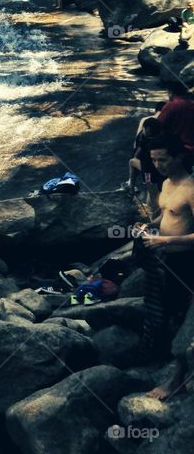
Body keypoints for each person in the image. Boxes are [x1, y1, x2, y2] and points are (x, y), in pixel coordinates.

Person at [132, 135, 194, 400]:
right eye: (154, 159)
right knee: (168, 314)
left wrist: (165, 239)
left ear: (179, 156)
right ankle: (177, 367)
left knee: (184, 321)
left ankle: (177, 379)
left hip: (187, 263)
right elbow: (167, 213)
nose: (158, 165)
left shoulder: (191, 189)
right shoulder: (167, 184)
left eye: (163, 159)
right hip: (167, 260)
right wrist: (151, 225)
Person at [126, 117, 164, 206]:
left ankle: (131, 190)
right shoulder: (162, 138)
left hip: (148, 170)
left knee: (132, 162)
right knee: (152, 189)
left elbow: (136, 155)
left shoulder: (145, 141)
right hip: (160, 169)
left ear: (148, 129)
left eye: (143, 128)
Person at [157, 80, 194, 158]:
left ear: (171, 92)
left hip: (174, 149)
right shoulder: (192, 104)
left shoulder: (171, 105)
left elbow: (158, 125)